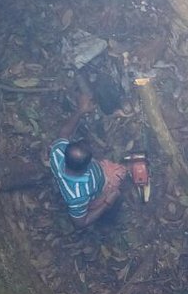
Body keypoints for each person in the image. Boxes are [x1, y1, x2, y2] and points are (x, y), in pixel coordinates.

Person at [48, 90, 128, 228]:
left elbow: (64, 133)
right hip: (100, 191)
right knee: (119, 189)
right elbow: (80, 222)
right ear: (87, 167)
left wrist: (81, 110)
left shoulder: (57, 153)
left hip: (98, 176)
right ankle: (108, 222)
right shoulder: (78, 196)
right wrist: (107, 203)